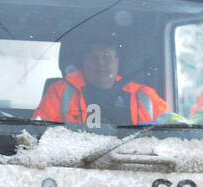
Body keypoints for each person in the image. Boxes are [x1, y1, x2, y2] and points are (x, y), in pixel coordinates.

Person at [33, 40, 172, 125]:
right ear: (84, 62)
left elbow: (170, 132)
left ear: (116, 62)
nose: (100, 64)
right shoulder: (60, 91)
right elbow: (40, 134)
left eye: (106, 57)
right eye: (94, 58)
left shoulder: (144, 95)